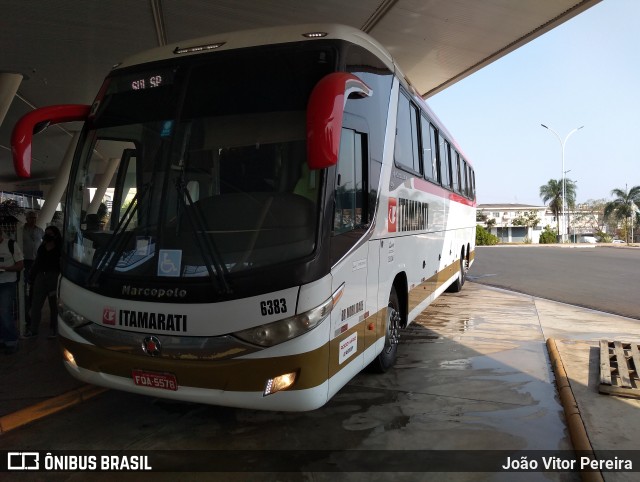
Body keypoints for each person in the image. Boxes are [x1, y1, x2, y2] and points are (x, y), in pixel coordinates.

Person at [23, 226, 61, 339]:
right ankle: (33, 329)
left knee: (54, 305)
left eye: (50, 233)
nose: (47, 235)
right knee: (36, 304)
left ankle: (54, 329)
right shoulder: (42, 247)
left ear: (55, 235)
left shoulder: (60, 248)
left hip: (53, 278)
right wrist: (32, 276)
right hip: (41, 276)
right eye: (46, 233)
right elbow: (37, 262)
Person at [0, 229, 24, 354]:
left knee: (5, 311)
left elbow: (20, 265)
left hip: (8, 283)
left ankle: (11, 340)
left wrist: (6, 269)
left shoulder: (11, 244)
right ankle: (3, 339)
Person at [22, 211, 44, 330]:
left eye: (34, 218)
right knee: (24, 283)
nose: (33, 220)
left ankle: (31, 301)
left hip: (36, 261)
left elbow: (44, 243)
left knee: (34, 285)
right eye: (30, 218)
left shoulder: (40, 230)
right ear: (26, 218)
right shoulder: (21, 230)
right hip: (24, 260)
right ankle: (24, 305)